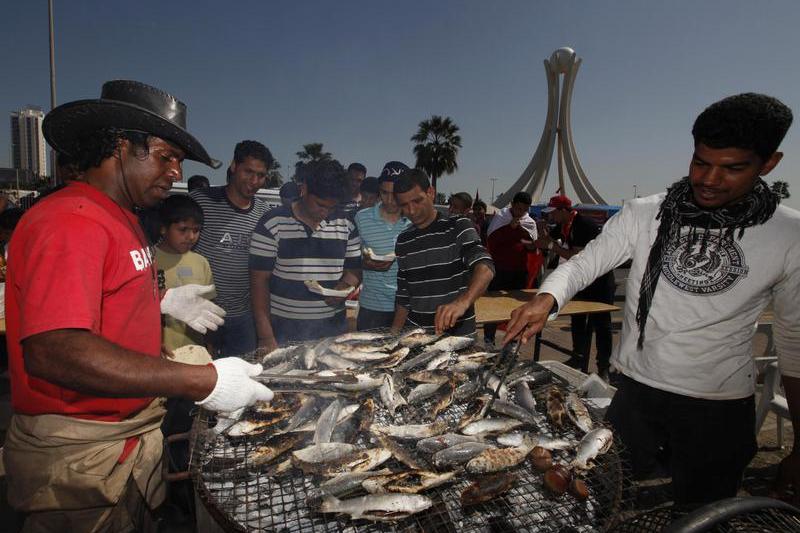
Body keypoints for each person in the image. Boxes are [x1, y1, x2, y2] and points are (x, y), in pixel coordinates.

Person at [2, 80, 273, 531]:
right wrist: (200, 380)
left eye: (178, 163)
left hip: (128, 439)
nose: (173, 172)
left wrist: (161, 300)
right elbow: (53, 350)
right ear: (120, 147)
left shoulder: (123, 218)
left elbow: (104, 301)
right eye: (166, 157)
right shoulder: (71, 220)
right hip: (82, 453)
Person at [504, 93, 798, 507]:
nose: (709, 179)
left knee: (702, 511)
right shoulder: (646, 214)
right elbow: (585, 263)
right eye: (700, 162)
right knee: (600, 499)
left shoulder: (789, 235)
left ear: (769, 163)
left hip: (719, 406)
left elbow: (794, 344)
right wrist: (546, 298)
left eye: (732, 168)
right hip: (636, 397)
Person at [250, 160, 361, 351]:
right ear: (304, 189)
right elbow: (258, 281)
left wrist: (344, 287)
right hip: (282, 329)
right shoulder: (272, 223)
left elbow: (355, 270)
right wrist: (265, 336)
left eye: (331, 207)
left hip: (331, 329)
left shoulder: (346, 224)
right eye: (320, 205)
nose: (325, 213)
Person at [191, 140, 273, 357]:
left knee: (241, 375)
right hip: (200, 312)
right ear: (234, 166)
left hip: (243, 317)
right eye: (248, 172)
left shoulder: (265, 213)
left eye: (261, 175)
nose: (254, 181)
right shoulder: (201, 201)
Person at [392, 169, 494, 335]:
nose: (411, 210)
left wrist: (463, 302)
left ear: (431, 192)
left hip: (456, 339)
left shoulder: (458, 226)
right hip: (416, 337)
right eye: (404, 205)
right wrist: (393, 335)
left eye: (417, 200)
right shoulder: (403, 240)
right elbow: (404, 296)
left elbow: (485, 266)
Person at [535, 194, 616, 377]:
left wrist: (552, 246)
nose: (552, 216)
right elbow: (545, 241)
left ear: (564, 211)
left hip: (599, 280)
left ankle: (604, 366)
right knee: (578, 320)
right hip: (582, 280)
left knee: (602, 324)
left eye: (554, 212)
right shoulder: (563, 225)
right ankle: (577, 356)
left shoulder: (584, 224)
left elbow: (576, 256)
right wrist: (541, 234)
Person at [354, 161, 412, 330]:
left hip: (407, 308)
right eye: (384, 193)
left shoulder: (413, 222)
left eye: (395, 194)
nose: (390, 200)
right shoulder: (362, 218)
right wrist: (364, 263)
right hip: (372, 308)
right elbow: (350, 260)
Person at [156, 195, 215, 353]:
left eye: (196, 230)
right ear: (163, 227)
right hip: (158, 353)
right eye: (183, 230)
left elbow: (208, 308)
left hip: (194, 350)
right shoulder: (149, 259)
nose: (191, 237)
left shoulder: (201, 263)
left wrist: (209, 346)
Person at [482, 191, 537, 347]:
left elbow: (533, 248)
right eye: (518, 208)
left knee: (517, 308)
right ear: (512, 204)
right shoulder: (501, 217)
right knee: (493, 306)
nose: (520, 213)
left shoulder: (529, 222)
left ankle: (513, 341)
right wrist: (509, 229)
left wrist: (531, 244)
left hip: (519, 271)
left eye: (524, 210)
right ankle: (489, 340)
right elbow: (491, 241)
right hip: (499, 269)